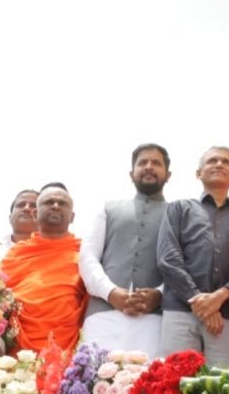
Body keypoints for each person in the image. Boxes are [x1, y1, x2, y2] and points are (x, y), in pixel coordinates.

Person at [157, 146, 229, 367]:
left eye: (226, 162)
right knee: (174, 381)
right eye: (212, 161)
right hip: (180, 310)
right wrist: (201, 302)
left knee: (224, 384)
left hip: (227, 315)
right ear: (198, 173)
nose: (219, 164)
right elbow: (168, 259)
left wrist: (219, 297)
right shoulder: (178, 209)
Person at [79, 143, 172, 358]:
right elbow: (88, 257)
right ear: (131, 174)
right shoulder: (108, 208)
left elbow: (186, 265)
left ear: (168, 174)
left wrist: (159, 294)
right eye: (143, 163)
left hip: (154, 319)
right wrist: (111, 293)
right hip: (103, 315)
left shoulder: (179, 214)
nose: (149, 167)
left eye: (156, 163)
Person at [1, 184, 88, 352]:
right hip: (17, 340)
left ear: (72, 217)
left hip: (64, 338)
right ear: (36, 213)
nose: (56, 206)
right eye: (49, 202)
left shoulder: (85, 252)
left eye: (62, 204)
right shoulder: (17, 253)